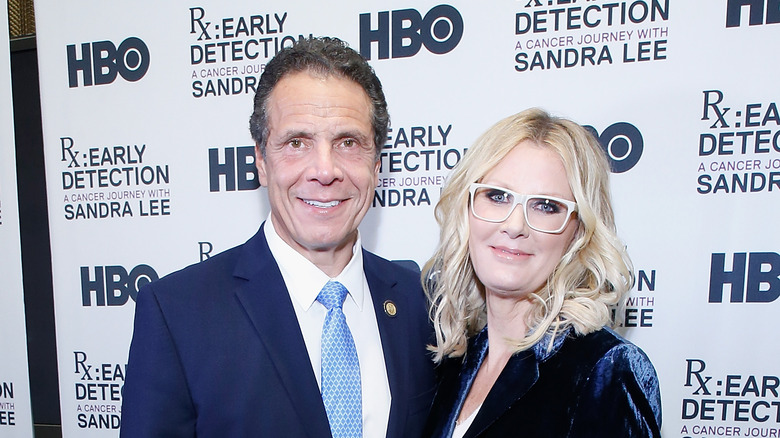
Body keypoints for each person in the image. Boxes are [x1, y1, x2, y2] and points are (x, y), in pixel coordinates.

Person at [120, 37, 435, 437]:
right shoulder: (178, 314)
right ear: (261, 161)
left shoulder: (420, 303)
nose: (325, 170)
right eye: (296, 142)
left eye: (348, 143)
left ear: (376, 165)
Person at [421, 108, 662, 437]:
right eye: (497, 196)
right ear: (467, 210)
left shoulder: (605, 369)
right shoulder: (455, 362)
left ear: (579, 232)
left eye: (546, 206)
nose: (515, 225)